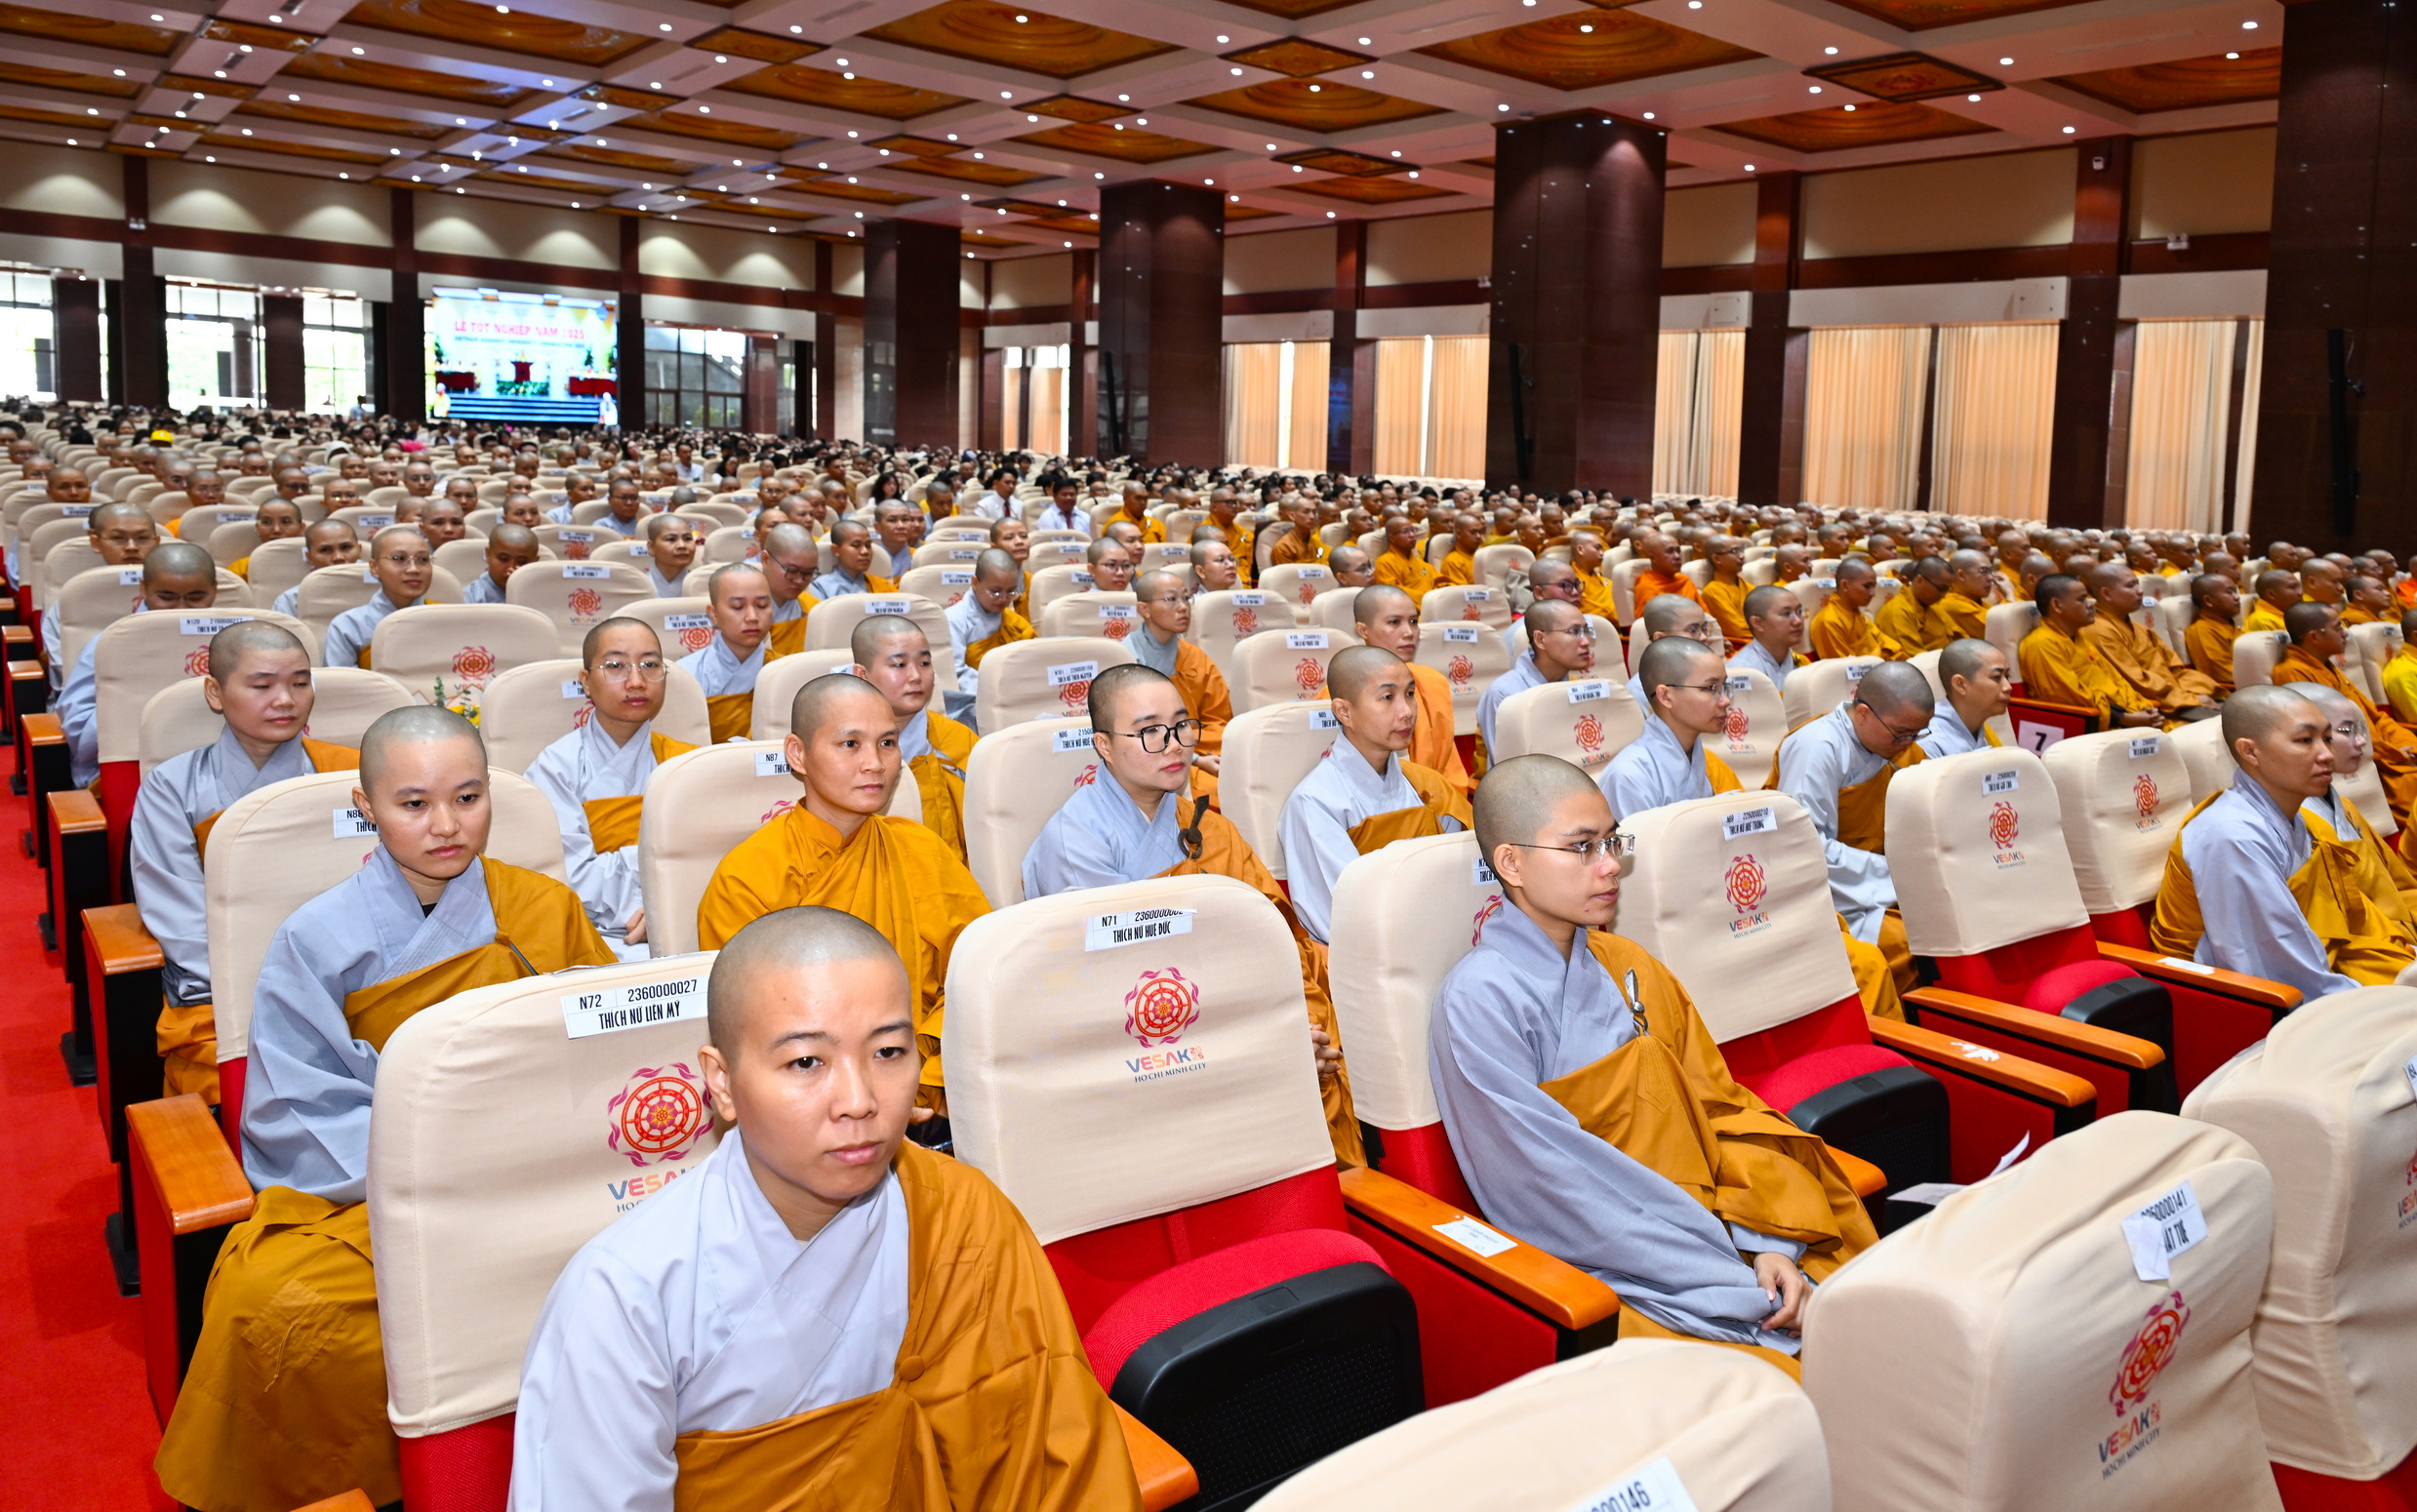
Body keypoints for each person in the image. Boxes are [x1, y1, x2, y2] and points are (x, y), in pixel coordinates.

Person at [509, 905, 1143, 1511]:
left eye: (887, 1053)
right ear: (721, 1082)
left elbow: (1058, 1466)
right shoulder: (623, 1296)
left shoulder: (962, 1214)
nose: (859, 1099)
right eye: (806, 1062)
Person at [153, 707, 612, 1512]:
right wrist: (435, 1174)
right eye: (414, 804)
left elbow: (601, 1058)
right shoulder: (314, 937)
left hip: (540, 1178)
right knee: (273, 1310)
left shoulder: (544, 908)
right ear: (365, 805)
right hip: (390, 1190)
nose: (447, 826)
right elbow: (299, 1104)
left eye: (468, 798)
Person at [1430, 755, 1874, 1369]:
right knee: (1797, 1383)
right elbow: (1550, 1188)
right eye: (1582, 847)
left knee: (1880, 1309)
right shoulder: (1480, 1000)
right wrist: (1729, 1272)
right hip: (1619, 1270)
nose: (1611, 864)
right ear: (1512, 864)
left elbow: (1721, 1109)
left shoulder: (1630, 964)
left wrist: (1767, 1240)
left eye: (1612, 841)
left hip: (1734, 1228)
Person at [1021, 663, 1361, 1163]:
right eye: (1150, 732)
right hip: (1147, 1048)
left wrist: (1298, 1025)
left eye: (1182, 726)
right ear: (1103, 746)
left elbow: (1277, 940)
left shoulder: (1209, 829)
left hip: (1236, 1011)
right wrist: (1268, 1045)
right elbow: (1115, 991)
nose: (1175, 744)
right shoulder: (1074, 845)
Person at [697, 675, 987, 1112]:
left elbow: (981, 974)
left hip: (940, 1093)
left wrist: (923, 1079)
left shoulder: (922, 849)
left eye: (887, 743)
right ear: (798, 754)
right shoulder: (747, 879)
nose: (875, 763)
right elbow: (752, 1033)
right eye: (850, 744)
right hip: (813, 1109)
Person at [130, 621, 357, 1101]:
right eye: (262, 685)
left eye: (300, 683)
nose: (286, 700)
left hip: (347, 983)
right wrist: (278, 991)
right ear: (215, 693)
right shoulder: (173, 787)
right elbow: (182, 921)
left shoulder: (350, 775)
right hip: (226, 993)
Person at [2151, 686, 2401, 995]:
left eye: (2326, 738)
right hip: (2231, 996)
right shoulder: (2232, 836)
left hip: (2324, 963)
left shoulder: (2300, 819)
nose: (2327, 754)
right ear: (2250, 751)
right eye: (2305, 740)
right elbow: (2274, 974)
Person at [1278, 646, 1473, 944]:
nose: (1407, 712)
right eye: (1387, 697)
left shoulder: (1427, 785)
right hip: (1371, 954)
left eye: (1410, 694)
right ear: (1344, 712)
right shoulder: (1314, 803)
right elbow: (1345, 915)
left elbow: (1467, 874)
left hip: (1448, 935)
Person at [525, 619, 695, 960]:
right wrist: (659, 892)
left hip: (683, 922)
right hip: (588, 935)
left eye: (650, 665)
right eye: (616, 666)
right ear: (586, 681)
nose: (636, 681)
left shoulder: (688, 765)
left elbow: (706, 862)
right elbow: (569, 879)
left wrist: (674, 907)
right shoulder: (554, 768)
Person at [1772, 659, 1931, 995]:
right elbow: (1805, 848)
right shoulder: (1818, 747)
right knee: (1911, 941)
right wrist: (1899, 878)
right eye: (1901, 733)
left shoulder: (1904, 746)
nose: (1908, 743)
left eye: (1917, 734)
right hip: (1834, 895)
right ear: (1863, 713)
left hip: (1884, 880)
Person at [57, 541, 219, 787]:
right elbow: (78, 734)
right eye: (166, 597)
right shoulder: (113, 644)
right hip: (130, 766)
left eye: (196, 597)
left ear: (214, 590)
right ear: (144, 589)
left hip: (217, 762)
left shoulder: (235, 639)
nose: (182, 608)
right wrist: (134, 701)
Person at [2271, 601, 2417, 822]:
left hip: (2386, 752)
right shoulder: (2292, 673)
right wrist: (2395, 753)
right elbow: (2329, 735)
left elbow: (2375, 716)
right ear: (2315, 636)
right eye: (2338, 627)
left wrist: (2408, 745)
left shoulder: (2329, 668)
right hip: (2367, 761)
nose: (2345, 633)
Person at [850, 615, 977, 860]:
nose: (916, 676)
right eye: (899, 665)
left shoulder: (960, 740)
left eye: (924, 663)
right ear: (862, 675)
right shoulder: (842, 751)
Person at [2295, 683, 2417, 934]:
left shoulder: (2345, 806)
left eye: (2361, 729)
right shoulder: (2293, 826)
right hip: (2374, 943)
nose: (2362, 741)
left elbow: (2399, 885)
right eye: (2347, 730)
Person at [1351, 584, 1472, 797]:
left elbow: (1449, 771)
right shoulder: (1341, 692)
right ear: (1363, 630)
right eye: (1394, 622)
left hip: (1436, 803)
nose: (1409, 633)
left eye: (1414, 622)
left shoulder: (1432, 682)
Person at [1604, 637, 1743, 817]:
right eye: (1710, 688)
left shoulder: (1707, 762)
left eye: (1724, 687)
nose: (1726, 700)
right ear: (1666, 696)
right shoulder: (1629, 776)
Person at [1127, 570, 1229, 801]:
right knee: (1220, 794)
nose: (1183, 607)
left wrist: (1195, 747)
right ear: (1145, 609)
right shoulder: (1127, 660)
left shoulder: (1194, 656)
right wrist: (1195, 759)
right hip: (1154, 761)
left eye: (1185, 597)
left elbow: (1218, 718)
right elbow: (1132, 734)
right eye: (1171, 599)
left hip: (1198, 746)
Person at [2018, 575, 2166, 730]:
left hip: (2125, 716)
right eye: (2082, 599)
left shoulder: (2080, 639)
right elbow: (2068, 698)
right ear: (2057, 605)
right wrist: (2125, 718)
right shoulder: (2041, 644)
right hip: (2092, 727)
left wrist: (2143, 707)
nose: (2090, 604)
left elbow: (2117, 682)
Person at [2078, 563, 2220, 716]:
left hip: (2178, 695)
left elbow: (2175, 669)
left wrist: (2206, 691)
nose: (2140, 591)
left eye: (2137, 584)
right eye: (2131, 586)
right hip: (2157, 706)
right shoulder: (2099, 632)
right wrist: (2191, 699)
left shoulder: (2140, 628)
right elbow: (2136, 682)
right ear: (2106, 593)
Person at [43, 499, 157, 684]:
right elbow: (62, 666)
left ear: (156, 542)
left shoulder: (179, 593)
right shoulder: (76, 596)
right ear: (95, 542)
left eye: (142, 538)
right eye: (118, 538)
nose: (131, 547)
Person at [1476, 599, 1594, 760]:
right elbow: (1509, 767)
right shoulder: (1504, 694)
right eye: (1574, 631)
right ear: (1540, 639)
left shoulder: (1579, 687)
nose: (1586, 641)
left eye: (1586, 631)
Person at [322, 525, 432, 669]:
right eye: (399, 558)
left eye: (423, 559)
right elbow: (341, 682)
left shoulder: (446, 618)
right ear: (374, 567)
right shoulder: (348, 626)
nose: (413, 569)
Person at [689, 562, 774, 743]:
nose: (752, 617)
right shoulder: (688, 676)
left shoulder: (785, 673)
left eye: (762, 605)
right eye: (737, 607)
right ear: (713, 614)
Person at [946, 546, 1031, 697]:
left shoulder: (1013, 620)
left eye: (1011, 591)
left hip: (1018, 693)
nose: (1003, 598)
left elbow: (1032, 659)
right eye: (995, 591)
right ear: (975, 583)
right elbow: (955, 673)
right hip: (974, 698)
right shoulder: (954, 619)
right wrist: (998, 691)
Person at [1917, 639, 2012, 758]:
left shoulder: (1980, 729)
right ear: (1960, 684)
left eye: (2007, 676)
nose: (2008, 687)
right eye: (1997, 677)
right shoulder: (1930, 743)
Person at [757, 521, 826, 657]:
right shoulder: (742, 613)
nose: (800, 580)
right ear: (765, 559)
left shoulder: (815, 611)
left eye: (808, 573)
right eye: (792, 571)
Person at [1726, 584, 1806, 695]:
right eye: (1786, 614)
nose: (1798, 621)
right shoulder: (1739, 672)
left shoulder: (1800, 661)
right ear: (1757, 623)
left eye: (1799, 611)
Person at [1873, 557, 1953, 660]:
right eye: (1941, 589)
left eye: (1947, 590)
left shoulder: (1935, 608)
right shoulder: (1897, 612)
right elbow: (1915, 660)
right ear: (1920, 580)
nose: (1943, 595)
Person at [1806, 559, 1881, 660]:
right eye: (1867, 586)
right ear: (1845, 585)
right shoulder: (1829, 621)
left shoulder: (1856, 613)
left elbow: (1882, 640)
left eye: (1874, 586)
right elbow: (1846, 666)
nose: (1873, 593)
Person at [2185, 573, 2244, 693]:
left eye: (2236, 591)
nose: (2237, 597)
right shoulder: (2202, 630)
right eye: (2229, 592)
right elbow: (2223, 674)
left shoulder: (2230, 624)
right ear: (2208, 601)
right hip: (2234, 691)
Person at [460, 521, 540, 605]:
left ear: (535, 561)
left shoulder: (543, 592)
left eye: (522, 562)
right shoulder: (472, 596)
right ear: (488, 554)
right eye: (503, 559)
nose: (511, 568)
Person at [227, 498, 302, 578]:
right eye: (267, 522)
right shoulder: (242, 568)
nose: (276, 530)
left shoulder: (311, 564)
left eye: (286, 522)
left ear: (302, 528)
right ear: (257, 528)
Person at [1699, 537, 1750, 642]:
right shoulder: (1712, 592)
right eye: (1734, 551)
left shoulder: (1747, 586)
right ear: (1716, 559)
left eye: (1742, 549)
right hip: (1737, 646)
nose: (1742, 556)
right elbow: (1737, 630)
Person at [1935, 551, 1993, 641]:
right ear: (1961, 575)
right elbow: (2003, 631)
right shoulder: (1952, 605)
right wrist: (2009, 596)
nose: (1991, 578)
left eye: (1990, 571)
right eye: (1984, 571)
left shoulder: (1975, 600)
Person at [642, 511, 699, 596]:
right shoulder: (636, 587)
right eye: (671, 539)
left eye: (687, 539)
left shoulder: (704, 585)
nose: (682, 545)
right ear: (651, 547)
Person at [2244, 569, 2300, 634]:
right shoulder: (2262, 621)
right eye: (2293, 587)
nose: (2300, 592)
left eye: (2299, 587)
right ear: (2271, 594)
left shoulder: (2289, 611)